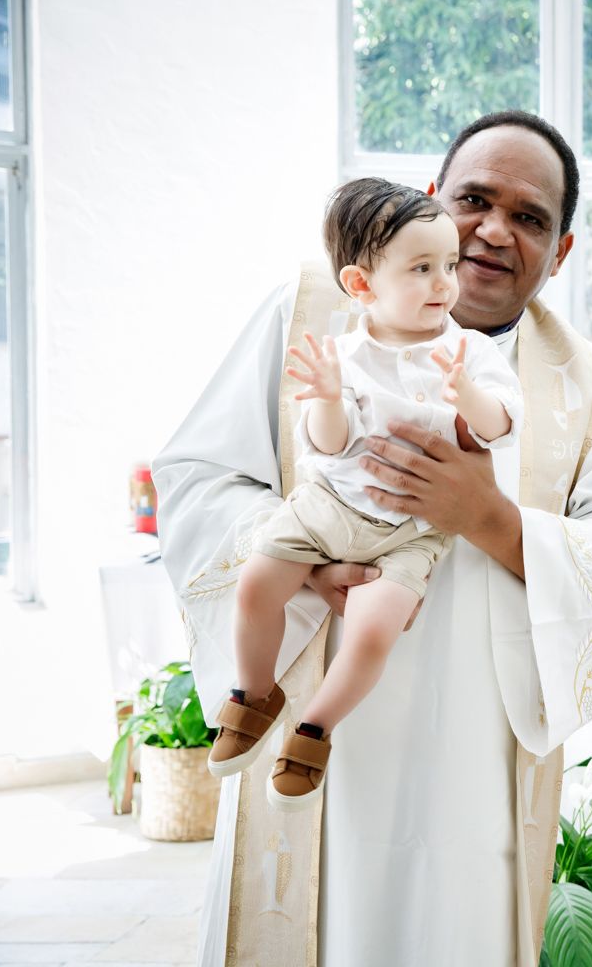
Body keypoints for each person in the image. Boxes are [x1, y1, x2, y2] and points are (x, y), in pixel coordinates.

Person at [154, 111, 592, 966]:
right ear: (432, 199)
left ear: (563, 250)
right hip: (322, 724)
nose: (493, 231)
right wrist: (301, 559)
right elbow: (197, 478)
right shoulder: (309, 315)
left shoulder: (587, 387)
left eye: (530, 217)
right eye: (473, 198)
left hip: (475, 775)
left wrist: (488, 518)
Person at [208, 177, 523, 812]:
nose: (445, 284)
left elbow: (501, 426)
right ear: (361, 286)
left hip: (410, 531)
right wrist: (325, 396)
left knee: (375, 631)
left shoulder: (470, 353)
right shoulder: (343, 356)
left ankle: (315, 727)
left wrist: (470, 399)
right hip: (326, 512)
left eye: (449, 266)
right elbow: (327, 445)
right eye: (422, 269)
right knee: (255, 586)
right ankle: (254, 691)